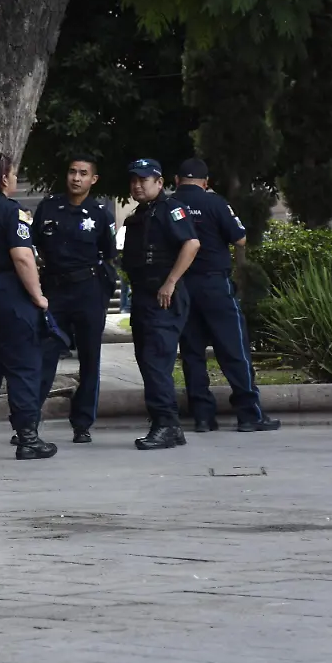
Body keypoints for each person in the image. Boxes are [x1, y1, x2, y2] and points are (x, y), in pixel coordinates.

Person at [170, 158, 280, 433]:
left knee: (192, 353)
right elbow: (240, 237)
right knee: (234, 350)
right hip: (215, 285)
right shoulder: (215, 203)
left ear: (175, 181)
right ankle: (248, 414)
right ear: (206, 183)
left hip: (182, 287)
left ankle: (203, 417)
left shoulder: (168, 205)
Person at [0, 150, 55, 460]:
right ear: (4, 178)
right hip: (10, 295)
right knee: (24, 368)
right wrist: (38, 296)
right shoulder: (13, 212)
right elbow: (22, 256)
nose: (15, 179)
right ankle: (27, 437)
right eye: (14, 174)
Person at [32, 155, 118, 445]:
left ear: (93, 180)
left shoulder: (100, 213)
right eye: (72, 172)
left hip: (89, 291)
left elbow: (109, 253)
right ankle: (29, 421)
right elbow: (35, 246)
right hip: (55, 291)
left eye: (83, 173)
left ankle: (82, 423)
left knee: (90, 359)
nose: (76, 178)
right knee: (44, 355)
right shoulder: (48, 208)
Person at [120, 158, 201, 450]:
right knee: (147, 360)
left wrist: (171, 282)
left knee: (155, 361)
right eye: (134, 180)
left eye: (144, 180)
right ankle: (166, 424)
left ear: (159, 182)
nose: (137, 185)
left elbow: (191, 244)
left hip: (163, 297)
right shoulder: (140, 214)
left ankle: (166, 425)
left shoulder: (170, 209)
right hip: (144, 296)